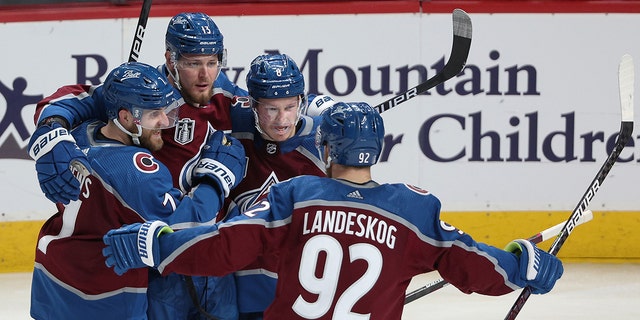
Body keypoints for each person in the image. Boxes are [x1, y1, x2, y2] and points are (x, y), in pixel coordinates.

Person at [102, 102, 565, 320]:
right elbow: (472, 264)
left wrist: (156, 243)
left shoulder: (297, 195)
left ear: (325, 148)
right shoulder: (413, 210)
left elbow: (225, 246)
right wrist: (521, 264)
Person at [27, 12, 246, 319]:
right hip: (151, 257)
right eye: (193, 63)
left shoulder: (90, 131)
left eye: (212, 62)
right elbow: (184, 222)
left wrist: (54, 134)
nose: (205, 75)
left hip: (78, 272)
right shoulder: (137, 140)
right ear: (171, 59)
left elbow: (282, 116)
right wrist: (216, 178)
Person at [226, 53, 333, 319]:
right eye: (271, 109)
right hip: (246, 289)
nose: (282, 120)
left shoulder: (322, 139)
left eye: (290, 106)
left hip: (307, 289)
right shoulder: (231, 127)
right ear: (253, 105)